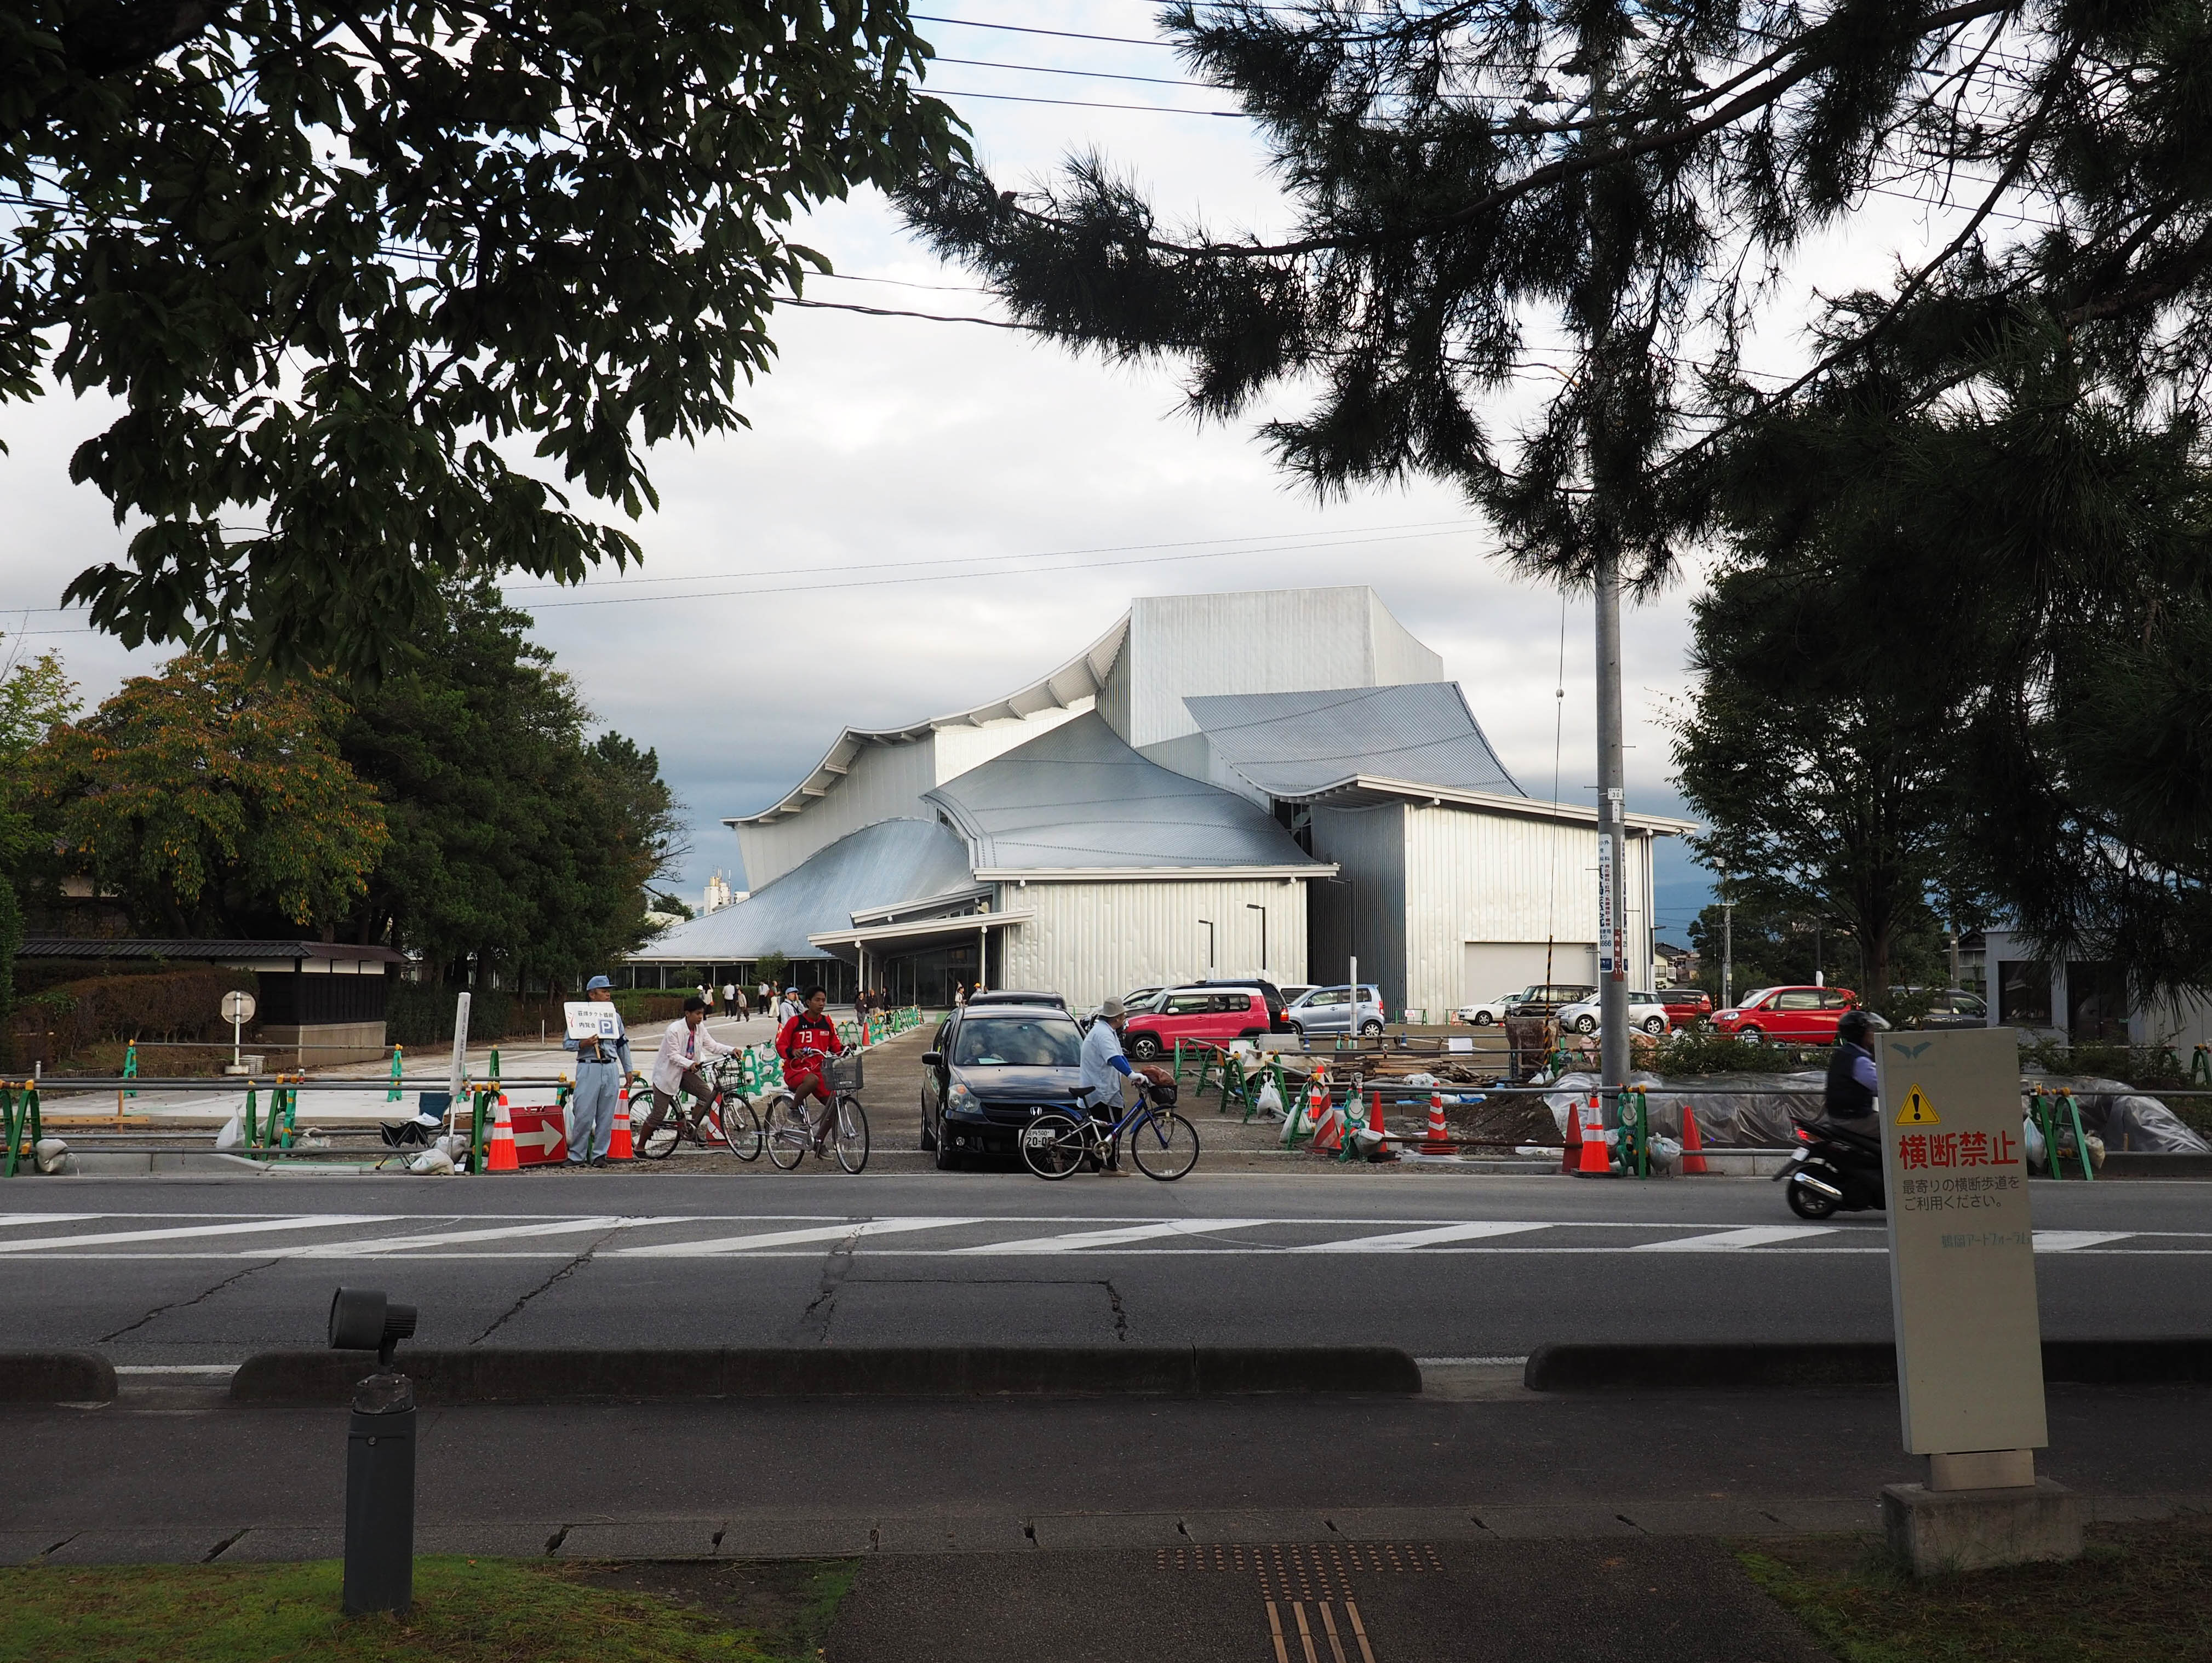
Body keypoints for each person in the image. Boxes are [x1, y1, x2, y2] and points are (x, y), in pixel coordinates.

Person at [1078, 997, 1173, 1174]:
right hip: (1101, 1090)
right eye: (1123, 1016)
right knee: (1113, 1130)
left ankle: (1104, 1164)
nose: (1124, 1019)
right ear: (1117, 1018)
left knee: (1108, 1130)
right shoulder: (1103, 1034)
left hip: (1103, 1087)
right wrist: (1131, 1074)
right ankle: (1108, 1167)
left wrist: (1132, 1073)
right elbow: (1114, 1059)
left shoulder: (1107, 1031)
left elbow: (1120, 1057)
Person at [640, 995, 737, 1148]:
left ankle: (691, 1130)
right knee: (659, 1114)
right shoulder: (674, 1030)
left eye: (702, 1014)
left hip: (688, 1072)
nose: (701, 1017)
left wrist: (731, 1050)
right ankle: (640, 1146)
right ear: (687, 1013)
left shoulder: (700, 1028)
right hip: (669, 1073)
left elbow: (712, 1045)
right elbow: (673, 1056)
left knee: (708, 1096)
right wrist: (690, 1063)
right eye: (698, 1014)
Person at [564, 974, 633, 1167]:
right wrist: (582, 1043)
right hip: (588, 1065)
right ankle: (577, 1154)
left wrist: (628, 1069)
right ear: (592, 995)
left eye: (608, 991)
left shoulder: (614, 1016)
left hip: (610, 1066)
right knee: (584, 1113)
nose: (608, 995)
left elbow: (622, 1044)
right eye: (604, 991)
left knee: (606, 1114)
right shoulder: (578, 1015)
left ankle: (600, 1154)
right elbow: (566, 1044)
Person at [776, 984, 846, 1147]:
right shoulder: (795, 1022)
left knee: (836, 1102)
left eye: (824, 1000)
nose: (821, 1004)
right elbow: (780, 1045)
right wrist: (793, 1052)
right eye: (817, 1000)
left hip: (819, 1071)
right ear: (808, 1002)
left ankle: (819, 1142)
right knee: (812, 1080)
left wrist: (845, 1049)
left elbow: (835, 1046)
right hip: (796, 1070)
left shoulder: (827, 1023)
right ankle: (794, 1109)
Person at [1824, 1010, 1880, 1121]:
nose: (1873, 1033)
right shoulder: (1859, 1060)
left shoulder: (1847, 1053)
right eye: (1869, 1030)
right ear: (1860, 1033)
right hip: (1853, 1118)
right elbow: (1881, 1087)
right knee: (1895, 1127)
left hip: (1841, 1115)